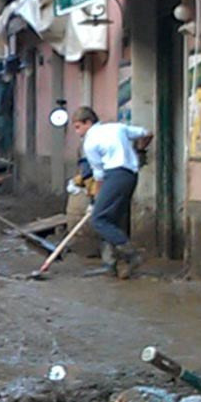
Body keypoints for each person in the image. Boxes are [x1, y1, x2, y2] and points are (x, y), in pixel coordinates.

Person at [70, 106, 152, 278]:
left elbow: (98, 175)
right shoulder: (117, 127)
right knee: (113, 219)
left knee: (99, 219)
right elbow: (146, 133)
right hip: (131, 175)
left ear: (88, 122)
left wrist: (95, 200)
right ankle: (114, 265)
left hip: (114, 176)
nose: (77, 132)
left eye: (78, 127)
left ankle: (131, 254)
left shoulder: (90, 142)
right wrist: (139, 151)